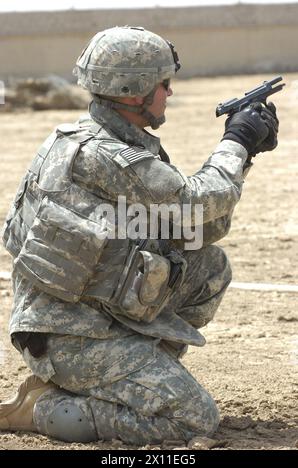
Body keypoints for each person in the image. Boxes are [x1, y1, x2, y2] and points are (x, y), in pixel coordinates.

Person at [0, 26, 278, 445]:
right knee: (192, 420)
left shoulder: (100, 138)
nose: (169, 92)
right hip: (68, 335)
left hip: (91, 314)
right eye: (163, 84)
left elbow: (194, 228)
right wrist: (236, 142)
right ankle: (45, 410)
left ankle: (132, 377)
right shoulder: (105, 155)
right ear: (134, 92)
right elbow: (196, 203)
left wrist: (245, 157)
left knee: (208, 267)